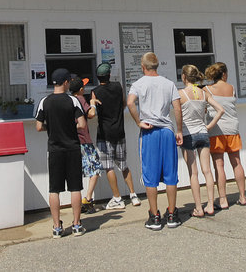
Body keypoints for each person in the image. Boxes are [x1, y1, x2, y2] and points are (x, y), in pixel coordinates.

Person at [127, 52, 183, 230]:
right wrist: (179, 130)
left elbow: (130, 103)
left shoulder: (138, 84)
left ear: (143, 67)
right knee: (170, 174)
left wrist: (138, 121)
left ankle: (155, 215)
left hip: (149, 130)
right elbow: (177, 107)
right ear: (157, 66)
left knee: (150, 175)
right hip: (167, 130)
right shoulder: (169, 83)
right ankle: (173, 213)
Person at [36, 68, 88, 238]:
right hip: (72, 148)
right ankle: (77, 224)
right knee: (75, 188)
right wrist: (69, 127)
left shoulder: (45, 101)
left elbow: (38, 126)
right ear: (66, 82)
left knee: (54, 189)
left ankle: (57, 226)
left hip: (55, 149)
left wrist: (51, 128)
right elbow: (82, 124)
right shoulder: (72, 101)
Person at [90, 62, 141, 209]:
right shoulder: (118, 86)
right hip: (120, 131)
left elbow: (92, 113)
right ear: (109, 75)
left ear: (98, 76)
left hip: (104, 133)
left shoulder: (95, 91)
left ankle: (117, 198)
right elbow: (124, 103)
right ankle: (133, 195)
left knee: (109, 167)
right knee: (123, 165)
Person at [178, 64, 224, 217]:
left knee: (194, 173)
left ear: (184, 77)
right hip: (203, 133)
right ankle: (210, 205)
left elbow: (177, 113)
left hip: (187, 135)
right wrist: (209, 126)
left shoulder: (181, 94)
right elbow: (220, 110)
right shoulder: (203, 93)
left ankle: (198, 207)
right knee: (208, 171)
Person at [204, 62, 246, 208]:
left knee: (219, 165)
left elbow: (204, 109)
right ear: (224, 74)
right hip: (233, 128)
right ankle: (242, 196)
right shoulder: (232, 88)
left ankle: (223, 200)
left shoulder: (207, 89)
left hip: (216, 130)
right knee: (236, 163)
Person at [68, 75, 102, 214]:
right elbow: (91, 114)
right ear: (81, 89)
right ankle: (87, 199)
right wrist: (93, 102)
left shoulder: (69, 100)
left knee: (77, 172)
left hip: (71, 141)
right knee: (95, 169)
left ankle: (79, 201)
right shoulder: (81, 99)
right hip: (84, 141)